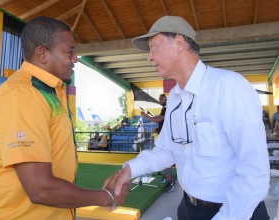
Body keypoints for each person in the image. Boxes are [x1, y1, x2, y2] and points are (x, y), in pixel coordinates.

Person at [106, 16, 270, 220]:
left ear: (179, 43)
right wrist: (129, 169)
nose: (149, 57)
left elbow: (254, 170)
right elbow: (167, 150)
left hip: (235, 211)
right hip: (189, 209)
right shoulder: (175, 98)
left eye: (153, 47)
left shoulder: (228, 87)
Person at [0, 17, 130, 220]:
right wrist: (106, 197)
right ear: (42, 54)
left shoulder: (51, 91)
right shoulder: (23, 94)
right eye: (69, 52)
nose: (75, 59)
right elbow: (40, 189)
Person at [141, 94, 175, 193]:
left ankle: (170, 181)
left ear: (166, 99)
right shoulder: (165, 108)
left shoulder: (166, 109)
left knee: (165, 157)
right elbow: (162, 122)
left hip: (166, 138)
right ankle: (167, 177)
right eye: (159, 98)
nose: (160, 100)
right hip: (164, 136)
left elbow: (157, 120)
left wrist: (145, 115)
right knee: (164, 157)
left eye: (162, 98)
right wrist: (158, 128)